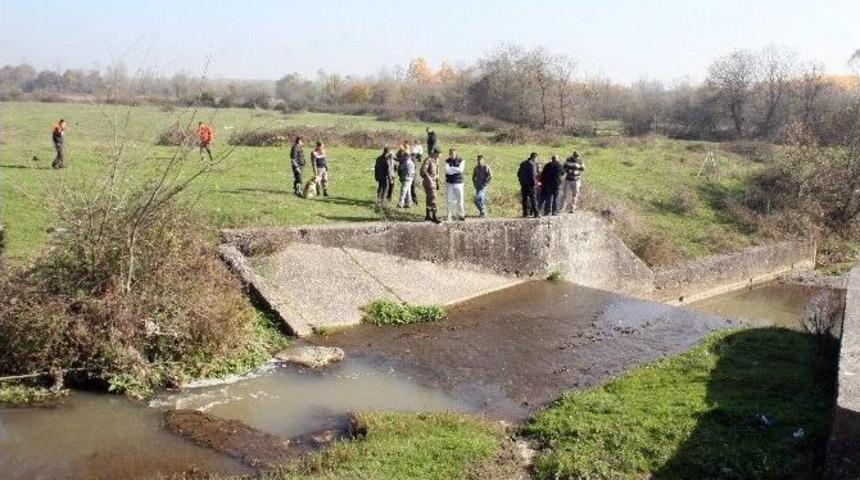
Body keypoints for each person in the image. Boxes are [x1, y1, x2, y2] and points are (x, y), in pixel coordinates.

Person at [420, 148, 441, 223]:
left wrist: (437, 176)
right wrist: (430, 179)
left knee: (429, 199)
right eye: (439, 154)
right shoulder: (428, 159)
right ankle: (434, 216)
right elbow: (422, 171)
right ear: (435, 153)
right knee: (433, 198)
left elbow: (436, 171)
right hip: (429, 183)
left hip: (434, 182)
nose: (440, 155)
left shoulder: (437, 160)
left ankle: (428, 215)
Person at [444, 148, 466, 221]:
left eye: (453, 154)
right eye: (450, 154)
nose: (452, 155)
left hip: (459, 182)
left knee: (460, 199)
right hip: (449, 183)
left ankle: (461, 214)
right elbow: (447, 171)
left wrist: (451, 169)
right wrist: (455, 169)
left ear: (456, 153)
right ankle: (449, 215)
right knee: (449, 200)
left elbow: (461, 170)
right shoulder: (447, 161)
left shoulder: (461, 160)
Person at [517, 152, 540, 218]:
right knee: (533, 198)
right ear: (534, 157)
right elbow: (533, 175)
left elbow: (518, 173)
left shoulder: (523, 163)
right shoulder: (533, 165)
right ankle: (536, 213)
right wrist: (535, 183)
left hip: (524, 184)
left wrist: (521, 181)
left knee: (525, 198)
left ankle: (525, 213)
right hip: (531, 184)